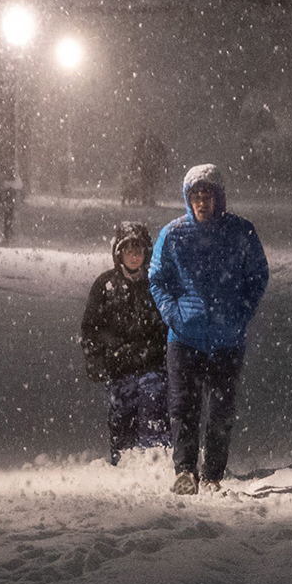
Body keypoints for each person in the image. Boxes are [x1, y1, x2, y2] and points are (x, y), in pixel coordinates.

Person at [149, 164, 269, 495]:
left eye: (208, 195)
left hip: (227, 340)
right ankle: (185, 470)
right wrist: (174, 315)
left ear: (220, 198)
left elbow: (258, 275)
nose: (203, 202)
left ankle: (213, 472)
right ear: (187, 199)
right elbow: (157, 278)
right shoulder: (172, 235)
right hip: (184, 338)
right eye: (196, 195)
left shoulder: (241, 232)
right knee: (183, 408)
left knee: (220, 410)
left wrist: (240, 314)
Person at [80, 221, 171, 465]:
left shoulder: (156, 285)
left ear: (147, 253)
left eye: (138, 250)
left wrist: (166, 353)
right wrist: (95, 357)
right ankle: (125, 458)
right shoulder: (105, 286)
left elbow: (169, 323)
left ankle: (156, 458)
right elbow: (90, 328)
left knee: (154, 404)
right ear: (118, 253)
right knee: (122, 412)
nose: (134, 256)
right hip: (119, 365)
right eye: (128, 250)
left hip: (153, 363)